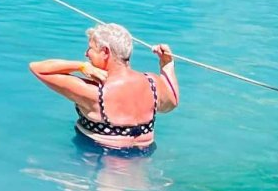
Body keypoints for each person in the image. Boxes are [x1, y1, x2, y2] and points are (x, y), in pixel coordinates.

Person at [29, 23, 179, 152]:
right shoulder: (152, 83)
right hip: (144, 154)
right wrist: (167, 64)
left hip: (99, 157)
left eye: (90, 49)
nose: (86, 54)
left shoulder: (94, 92)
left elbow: (38, 68)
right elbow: (172, 102)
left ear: (105, 52)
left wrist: (81, 66)